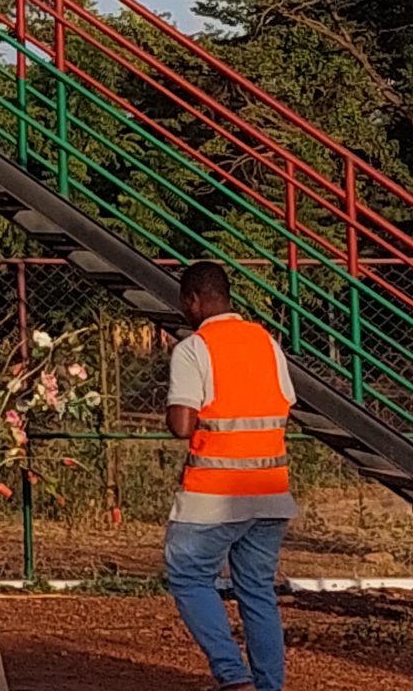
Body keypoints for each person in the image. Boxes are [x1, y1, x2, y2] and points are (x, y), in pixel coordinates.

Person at [162, 261, 298, 691]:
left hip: (214, 493)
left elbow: (183, 424)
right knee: (257, 591)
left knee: (187, 575)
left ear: (193, 300)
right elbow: (283, 404)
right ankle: (267, 685)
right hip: (270, 490)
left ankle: (233, 676)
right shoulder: (266, 342)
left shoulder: (193, 348)